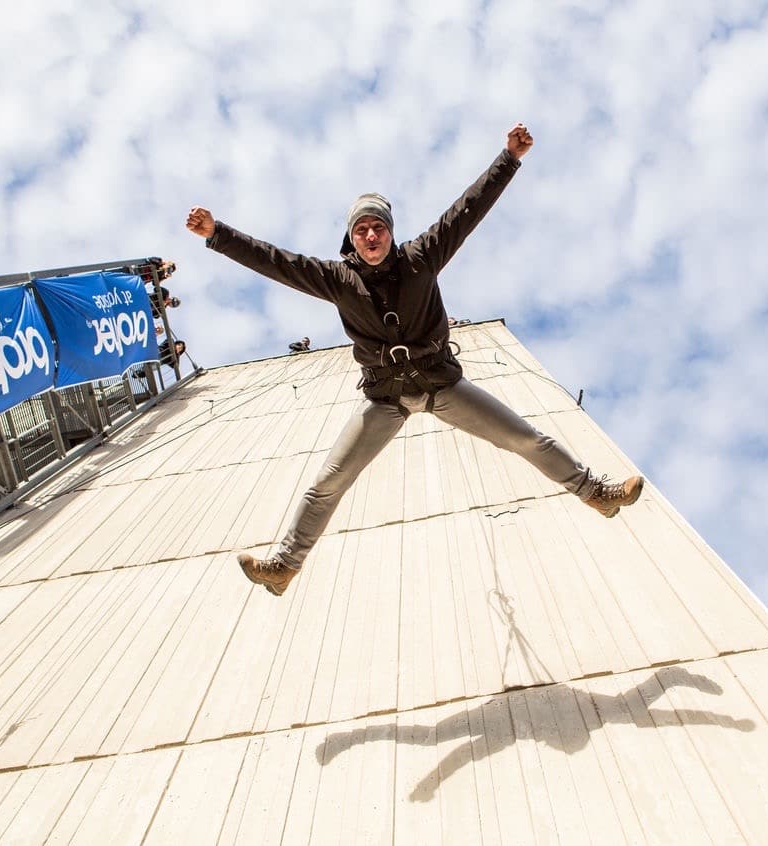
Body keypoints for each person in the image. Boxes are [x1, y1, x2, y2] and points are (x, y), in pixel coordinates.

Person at [185, 123, 643, 597]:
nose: (370, 234)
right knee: (329, 481)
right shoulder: (338, 280)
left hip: (442, 386)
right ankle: (283, 565)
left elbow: (467, 211)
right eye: (361, 229)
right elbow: (276, 261)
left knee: (526, 438)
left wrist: (508, 158)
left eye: (378, 226)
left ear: (390, 231)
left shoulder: (422, 256)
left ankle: (597, 494)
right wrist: (218, 234)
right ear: (351, 239)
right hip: (387, 399)